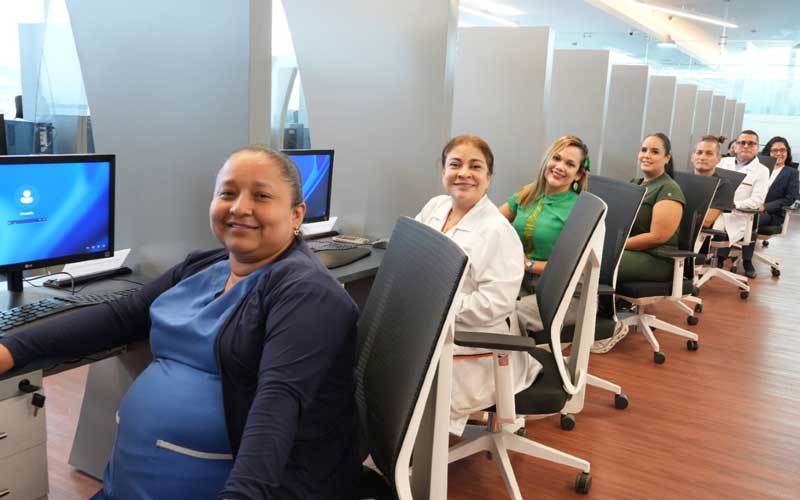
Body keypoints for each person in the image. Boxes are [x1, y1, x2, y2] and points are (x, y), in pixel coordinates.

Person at [0, 147, 360, 499]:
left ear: (297, 215)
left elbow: (277, 406)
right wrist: (13, 348)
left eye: (262, 196)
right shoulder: (205, 266)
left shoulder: (307, 293)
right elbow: (120, 317)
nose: (239, 207)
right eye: (228, 193)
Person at [415, 134, 539, 435]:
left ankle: (408, 467)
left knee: (401, 381)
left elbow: (494, 305)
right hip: (432, 327)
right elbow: (413, 254)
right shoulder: (436, 207)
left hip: (475, 341)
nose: (464, 173)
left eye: (475, 166)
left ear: (489, 177)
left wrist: (435, 308)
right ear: (443, 171)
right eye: (454, 164)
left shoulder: (497, 231)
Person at [498, 135, 590, 333]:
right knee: (486, 304)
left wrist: (526, 264)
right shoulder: (530, 191)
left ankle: (514, 363)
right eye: (556, 158)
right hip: (523, 280)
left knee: (509, 317)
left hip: (563, 292)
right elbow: (495, 222)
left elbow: (572, 268)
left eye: (569, 164)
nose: (560, 166)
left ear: (577, 175)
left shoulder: (579, 209)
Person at [617, 133, 686, 283]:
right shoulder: (635, 183)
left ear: (667, 158)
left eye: (654, 152)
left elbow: (657, 237)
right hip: (631, 251)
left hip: (656, 259)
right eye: (643, 150)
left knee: (591, 262)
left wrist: (617, 245)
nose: (646, 155)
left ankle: (600, 306)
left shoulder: (668, 189)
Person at [715, 130, 770, 278]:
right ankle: (692, 264)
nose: (746, 146)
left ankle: (693, 264)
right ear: (735, 146)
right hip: (715, 210)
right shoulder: (723, 163)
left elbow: (756, 201)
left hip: (737, 215)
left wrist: (731, 204)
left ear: (757, 147)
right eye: (742, 142)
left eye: (751, 143)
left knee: (705, 226)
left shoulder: (762, 171)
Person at [738, 136, 800, 265]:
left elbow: (790, 198)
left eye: (782, 150)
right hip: (749, 207)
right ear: (768, 152)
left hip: (772, 213)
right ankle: (721, 257)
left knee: (752, 220)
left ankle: (747, 261)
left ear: (787, 153)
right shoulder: (759, 170)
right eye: (775, 150)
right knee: (734, 216)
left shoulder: (791, 173)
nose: (779, 153)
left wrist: (765, 207)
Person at [691, 135, 735, 229]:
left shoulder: (723, 185)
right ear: (692, 157)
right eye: (699, 152)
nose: (702, 157)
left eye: (709, 153)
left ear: (719, 159)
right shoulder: (681, 179)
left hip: (697, 235)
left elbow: (706, 221)